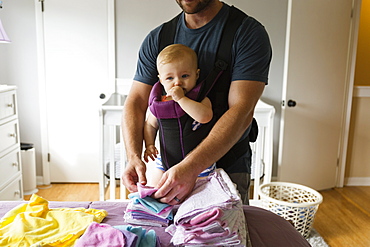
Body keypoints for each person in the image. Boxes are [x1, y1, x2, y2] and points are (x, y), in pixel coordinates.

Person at [122, 0, 272, 205]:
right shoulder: (158, 39)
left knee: (224, 233)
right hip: (168, 167)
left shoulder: (246, 33)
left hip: (226, 167)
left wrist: (192, 167)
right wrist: (133, 156)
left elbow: (242, 111)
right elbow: (137, 101)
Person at [143, 44, 215, 187]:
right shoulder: (160, 103)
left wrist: (182, 99)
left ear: (197, 75)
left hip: (199, 165)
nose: (178, 82)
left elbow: (205, 117)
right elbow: (150, 124)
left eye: (185, 76)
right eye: (169, 78)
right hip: (165, 162)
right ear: (161, 80)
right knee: (155, 189)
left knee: (200, 194)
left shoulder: (200, 98)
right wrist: (149, 144)